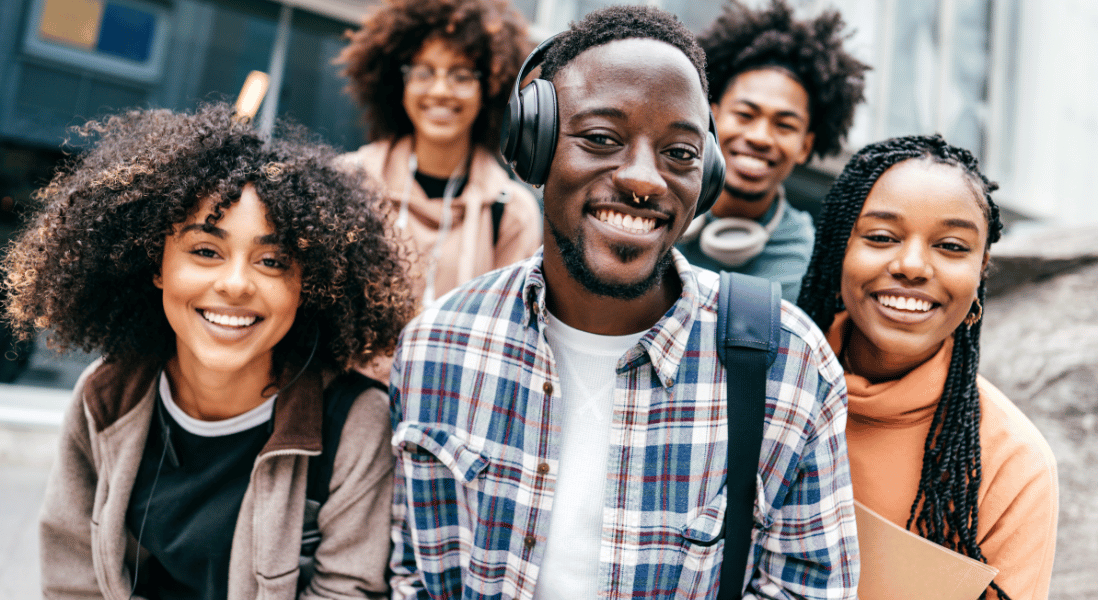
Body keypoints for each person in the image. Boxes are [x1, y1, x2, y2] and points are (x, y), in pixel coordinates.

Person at [389, 6, 857, 599]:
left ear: (706, 177)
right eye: (602, 138)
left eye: (680, 153)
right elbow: (414, 577)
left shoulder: (789, 365)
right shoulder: (436, 346)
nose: (645, 179)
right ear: (533, 147)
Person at [6, 103, 414, 599]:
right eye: (205, 251)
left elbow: (347, 590)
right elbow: (73, 580)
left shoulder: (353, 423)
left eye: (271, 260)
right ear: (157, 263)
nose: (236, 284)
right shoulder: (108, 395)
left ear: (307, 285)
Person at [796, 135, 1058, 600]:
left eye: (952, 246)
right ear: (839, 249)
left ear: (982, 270)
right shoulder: (768, 385)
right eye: (881, 237)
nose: (913, 266)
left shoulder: (1013, 463)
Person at [337, 0, 541, 310]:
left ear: (488, 89)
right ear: (399, 82)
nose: (440, 90)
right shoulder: (348, 182)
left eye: (461, 76)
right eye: (423, 72)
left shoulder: (512, 214)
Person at [677, 0, 869, 302]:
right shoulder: (658, 213)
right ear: (710, 119)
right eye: (745, 114)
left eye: (785, 125)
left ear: (805, 146)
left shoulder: (812, 260)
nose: (760, 137)